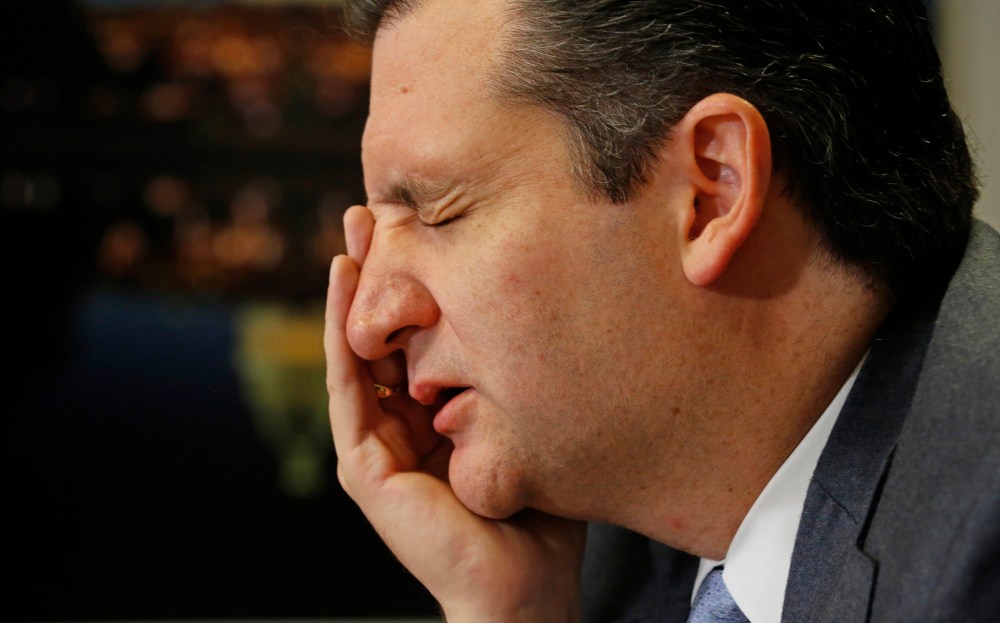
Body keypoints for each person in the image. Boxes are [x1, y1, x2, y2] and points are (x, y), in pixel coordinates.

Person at [323, 0, 1000, 621]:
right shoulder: (611, 551)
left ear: (712, 192)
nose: (368, 319)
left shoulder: (978, 550)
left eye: (439, 210)